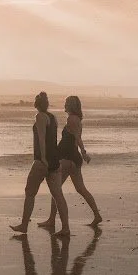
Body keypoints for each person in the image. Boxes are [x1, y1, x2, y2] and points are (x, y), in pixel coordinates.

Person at [10, 92, 70, 237]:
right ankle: (66, 228)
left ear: (36, 104)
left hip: (42, 162)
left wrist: (42, 158)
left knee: (30, 192)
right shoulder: (52, 117)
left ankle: (24, 225)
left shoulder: (39, 117)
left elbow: (42, 139)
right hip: (54, 162)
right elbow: (53, 139)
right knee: (58, 195)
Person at [39, 95, 102, 229]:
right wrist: (83, 154)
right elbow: (77, 138)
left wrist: (84, 152)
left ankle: (51, 220)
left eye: (66, 102)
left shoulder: (72, 119)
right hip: (74, 159)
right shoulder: (77, 119)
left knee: (55, 189)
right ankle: (97, 215)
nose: (64, 104)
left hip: (68, 158)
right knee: (81, 189)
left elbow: (78, 138)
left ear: (71, 105)